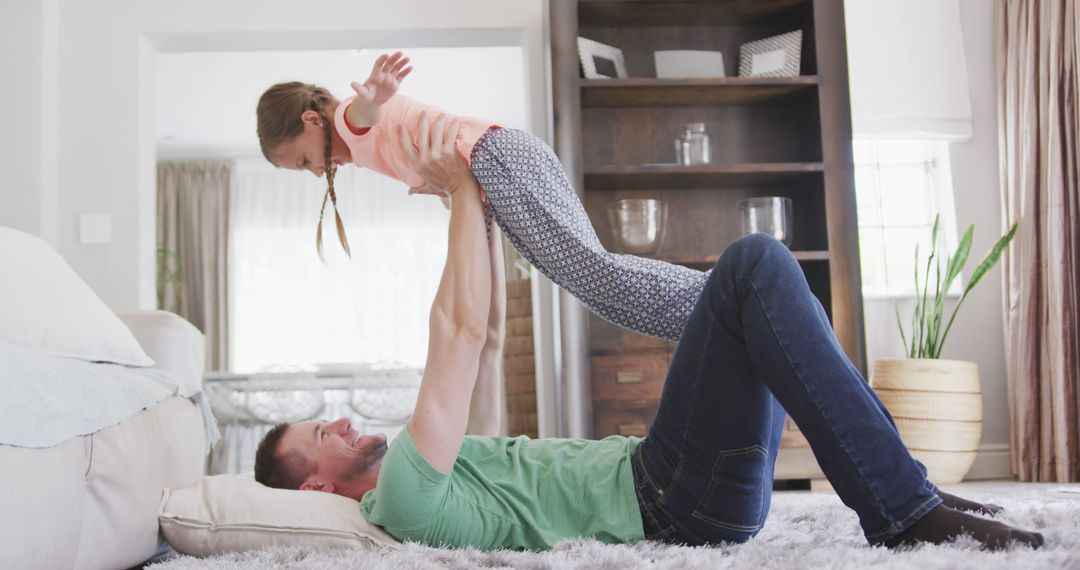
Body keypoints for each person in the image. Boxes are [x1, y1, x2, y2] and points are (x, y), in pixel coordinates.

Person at [253, 116, 1044, 552]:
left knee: (759, 287)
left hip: (689, 488)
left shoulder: (443, 471)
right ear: (318, 486)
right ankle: (904, 513)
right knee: (753, 269)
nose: (346, 420)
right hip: (672, 499)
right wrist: (461, 181)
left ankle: (905, 492)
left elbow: (487, 337)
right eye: (325, 430)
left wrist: (479, 208)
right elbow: (455, 332)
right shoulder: (401, 496)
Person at [256, 51, 705, 343]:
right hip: (497, 169)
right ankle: (703, 320)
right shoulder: (356, 141)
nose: (316, 172)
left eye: (303, 161)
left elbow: (361, 116)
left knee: (591, 271)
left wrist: (375, 99)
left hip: (498, 158)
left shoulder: (348, 121)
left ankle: (715, 294)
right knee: (589, 285)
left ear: (313, 122)